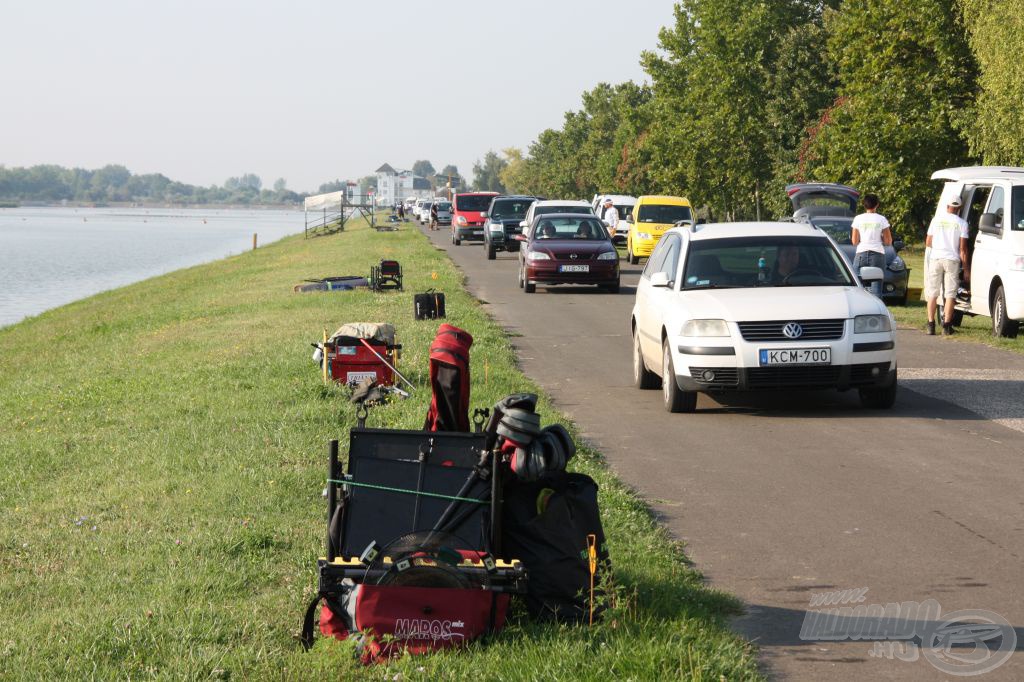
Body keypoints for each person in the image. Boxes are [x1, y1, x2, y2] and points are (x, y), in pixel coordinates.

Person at [925, 197, 969, 336]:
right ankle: (947, 326)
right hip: (952, 260)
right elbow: (963, 249)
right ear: (959, 208)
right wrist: (966, 269)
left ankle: (931, 324)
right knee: (950, 294)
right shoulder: (962, 223)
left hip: (936, 258)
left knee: (933, 292)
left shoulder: (936, 220)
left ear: (947, 206)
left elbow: (928, 242)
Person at [851, 193, 892, 297]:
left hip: (861, 254)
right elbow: (888, 241)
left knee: (857, 287)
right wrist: (881, 237)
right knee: (876, 289)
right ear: (877, 204)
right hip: (877, 255)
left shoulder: (858, 218)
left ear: (864, 204)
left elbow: (854, 241)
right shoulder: (882, 219)